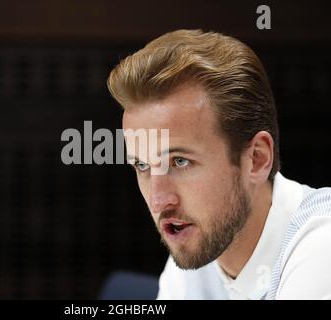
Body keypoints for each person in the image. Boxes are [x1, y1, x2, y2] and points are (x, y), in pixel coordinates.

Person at [106, 29, 331, 299]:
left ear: (257, 159)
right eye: (142, 166)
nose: (158, 201)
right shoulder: (196, 252)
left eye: (180, 161)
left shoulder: (322, 247)